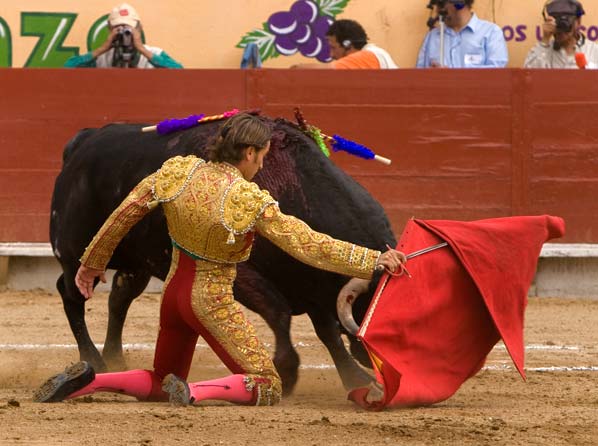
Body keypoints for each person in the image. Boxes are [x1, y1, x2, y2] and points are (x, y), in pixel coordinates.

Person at [33, 113, 406, 407]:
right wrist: (374, 260)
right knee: (267, 383)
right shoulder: (248, 199)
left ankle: (92, 381)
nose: (261, 166)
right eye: (261, 157)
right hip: (208, 303)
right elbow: (308, 245)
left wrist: (92, 262)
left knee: (161, 378)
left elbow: (125, 213)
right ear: (249, 153)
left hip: (173, 300)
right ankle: (196, 393)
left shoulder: (177, 172)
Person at [64, 3, 182, 69]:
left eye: (129, 28)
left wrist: (142, 49)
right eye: (118, 28)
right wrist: (102, 49)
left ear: (139, 29)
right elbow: (68, 67)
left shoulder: (154, 53)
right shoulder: (103, 58)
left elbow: (179, 72)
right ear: (110, 29)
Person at [416, 0, 508, 68]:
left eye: (441, 4)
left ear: (460, 3)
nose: (437, 11)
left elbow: (497, 74)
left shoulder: (491, 33)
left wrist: (451, 77)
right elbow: (419, 76)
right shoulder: (432, 37)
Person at [292, 19, 398, 69]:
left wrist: (298, 68)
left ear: (347, 45)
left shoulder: (368, 55)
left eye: (333, 48)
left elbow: (328, 70)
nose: (331, 55)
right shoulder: (374, 54)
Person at [524, 0, 598, 69]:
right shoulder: (544, 51)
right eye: (557, 22)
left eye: (565, 21)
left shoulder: (593, 51)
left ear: (578, 22)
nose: (560, 28)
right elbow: (529, 76)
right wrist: (545, 40)